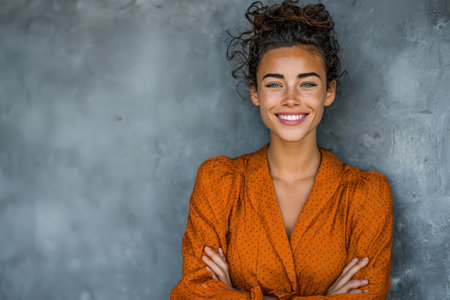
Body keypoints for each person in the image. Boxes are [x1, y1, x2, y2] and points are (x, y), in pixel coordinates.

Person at [170, 0, 393, 299]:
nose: (290, 99)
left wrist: (235, 294)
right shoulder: (218, 184)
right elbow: (190, 294)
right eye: (275, 84)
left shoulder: (367, 197)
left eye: (307, 84)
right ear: (255, 93)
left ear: (329, 92)